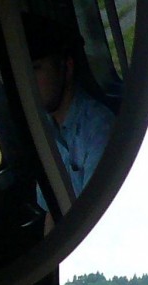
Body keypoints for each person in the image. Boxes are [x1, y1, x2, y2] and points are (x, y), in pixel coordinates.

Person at [24, 12, 114, 203]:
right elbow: (53, 211)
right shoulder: (45, 130)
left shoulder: (98, 128)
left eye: (35, 68)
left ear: (67, 66)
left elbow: (95, 211)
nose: (28, 83)